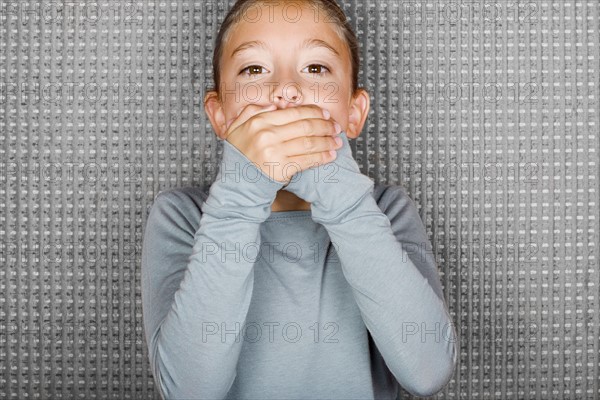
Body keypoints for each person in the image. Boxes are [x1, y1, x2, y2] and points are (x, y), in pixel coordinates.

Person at [141, 0, 458, 399]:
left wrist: (342, 197)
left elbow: (427, 372)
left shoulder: (388, 211)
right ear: (220, 117)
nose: (286, 90)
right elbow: (189, 390)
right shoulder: (182, 216)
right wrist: (238, 196)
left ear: (354, 113)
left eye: (316, 68)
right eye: (254, 69)